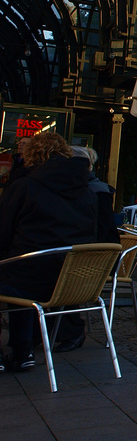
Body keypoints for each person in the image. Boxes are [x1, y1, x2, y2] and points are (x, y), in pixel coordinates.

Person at [0, 132, 98, 373]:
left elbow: (3, 233)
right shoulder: (87, 191)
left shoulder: (25, 186)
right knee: (22, 270)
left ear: (31, 155)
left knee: (16, 272)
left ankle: (21, 350)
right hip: (73, 282)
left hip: (30, 279)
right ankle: (23, 352)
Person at [53, 146, 120, 351]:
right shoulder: (89, 190)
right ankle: (45, 330)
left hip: (94, 258)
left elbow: (99, 231)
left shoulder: (93, 192)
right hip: (89, 252)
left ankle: (64, 329)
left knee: (55, 274)